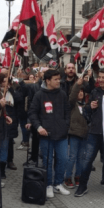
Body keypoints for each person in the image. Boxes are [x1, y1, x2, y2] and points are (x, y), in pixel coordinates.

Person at [75, 69, 104, 197]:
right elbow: (86, 111)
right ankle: (82, 186)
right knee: (87, 161)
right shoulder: (94, 92)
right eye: (99, 77)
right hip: (94, 132)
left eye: (103, 77)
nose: (100, 80)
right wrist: (90, 107)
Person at [28, 69, 71, 198]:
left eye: (59, 79)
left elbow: (67, 112)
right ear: (48, 80)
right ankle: (48, 185)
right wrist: (39, 127)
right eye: (56, 79)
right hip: (46, 135)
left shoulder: (62, 94)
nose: (59, 81)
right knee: (47, 161)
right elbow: (32, 113)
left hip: (61, 135)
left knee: (63, 159)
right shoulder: (39, 95)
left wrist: (65, 125)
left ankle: (58, 183)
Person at [65, 74, 88, 188]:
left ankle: (78, 176)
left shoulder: (86, 105)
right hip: (74, 134)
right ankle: (67, 177)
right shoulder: (72, 105)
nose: (80, 93)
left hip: (84, 135)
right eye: (79, 91)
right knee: (72, 157)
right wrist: (77, 85)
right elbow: (72, 96)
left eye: (82, 92)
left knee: (81, 157)